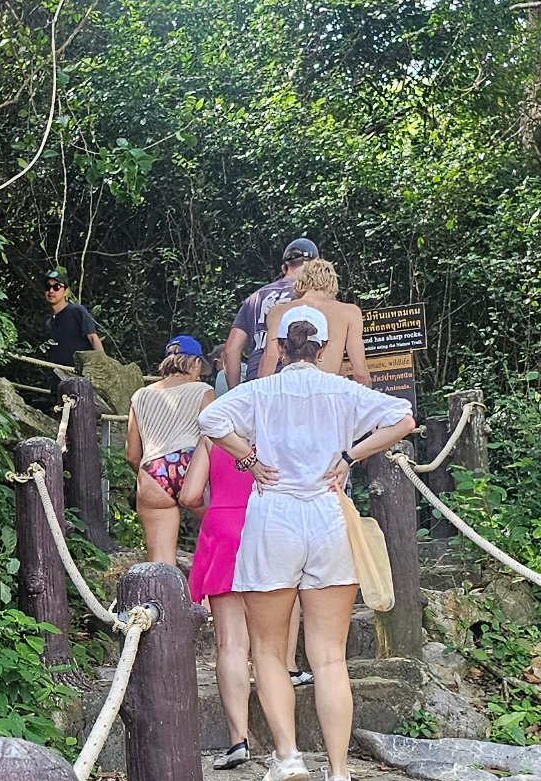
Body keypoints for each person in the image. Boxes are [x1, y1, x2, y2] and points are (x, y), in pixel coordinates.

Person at [196, 305, 417, 781]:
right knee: (330, 657)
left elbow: (210, 419)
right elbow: (403, 418)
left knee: (269, 651)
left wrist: (248, 459)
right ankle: (339, 777)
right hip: (327, 517)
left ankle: (288, 756)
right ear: (323, 348)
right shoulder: (342, 390)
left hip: (273, 519)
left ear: (279, 346)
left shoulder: (260, 391)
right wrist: (349, 456)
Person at [178, 431, 258, 768]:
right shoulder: (275, 427)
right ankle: (286, 746)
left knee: (231, 644)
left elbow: (190, 495)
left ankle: (239, 739)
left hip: (223, 526)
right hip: (268, 526)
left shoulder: (214, 436)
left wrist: (216, 511)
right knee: (269, 646)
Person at [126, 337, 213, 563]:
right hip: (190, 466)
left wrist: (148, 477)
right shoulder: (203, 390)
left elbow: (132, 454)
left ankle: (165, 587)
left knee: (161, 562)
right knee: (218, 538)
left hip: (153, 470)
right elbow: (214, 437)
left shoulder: (140, 395)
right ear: (195, 363)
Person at [220, 236, 317, 388]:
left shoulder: (254, 299)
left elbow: (231, 350)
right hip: (296, 382)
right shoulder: (310, 297)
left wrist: (235, 390)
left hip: (256, 383)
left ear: (284, 268)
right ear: (315, 268)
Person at [269, 257, 370, 384]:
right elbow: (360, 373)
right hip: (328, 389)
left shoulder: (278, 311)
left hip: (288, 386)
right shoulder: (349, 312)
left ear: (299, 281)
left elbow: (270, 358)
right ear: (332, 282)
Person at [43, 274, 104, 367]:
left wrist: (103, 364)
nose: (51, 291)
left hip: (84, 370)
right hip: (61, 372)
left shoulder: (77, 311)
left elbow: (93, 337)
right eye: (48, 287)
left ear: (66, 291)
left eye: (56, 287)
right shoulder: (49, 323)